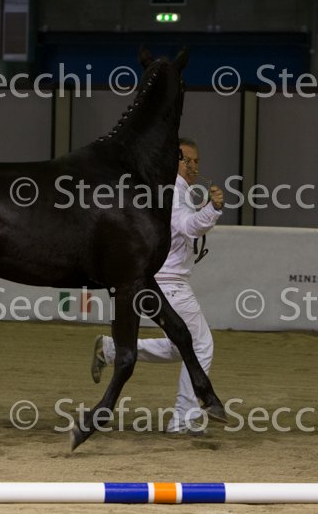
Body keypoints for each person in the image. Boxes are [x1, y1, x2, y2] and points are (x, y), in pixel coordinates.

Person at [90, 137, 224, 435]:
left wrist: (206, 207)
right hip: (170, 281)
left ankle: (110, 349)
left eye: (197, 161)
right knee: (200, 345)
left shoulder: (175, 191)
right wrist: (213, 209)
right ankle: (184, 419)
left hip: (166, 279)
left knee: (181, 347)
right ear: (173, 160)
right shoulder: (175, 192)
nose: (193, 166)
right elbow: (188, 226)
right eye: (187, 160)